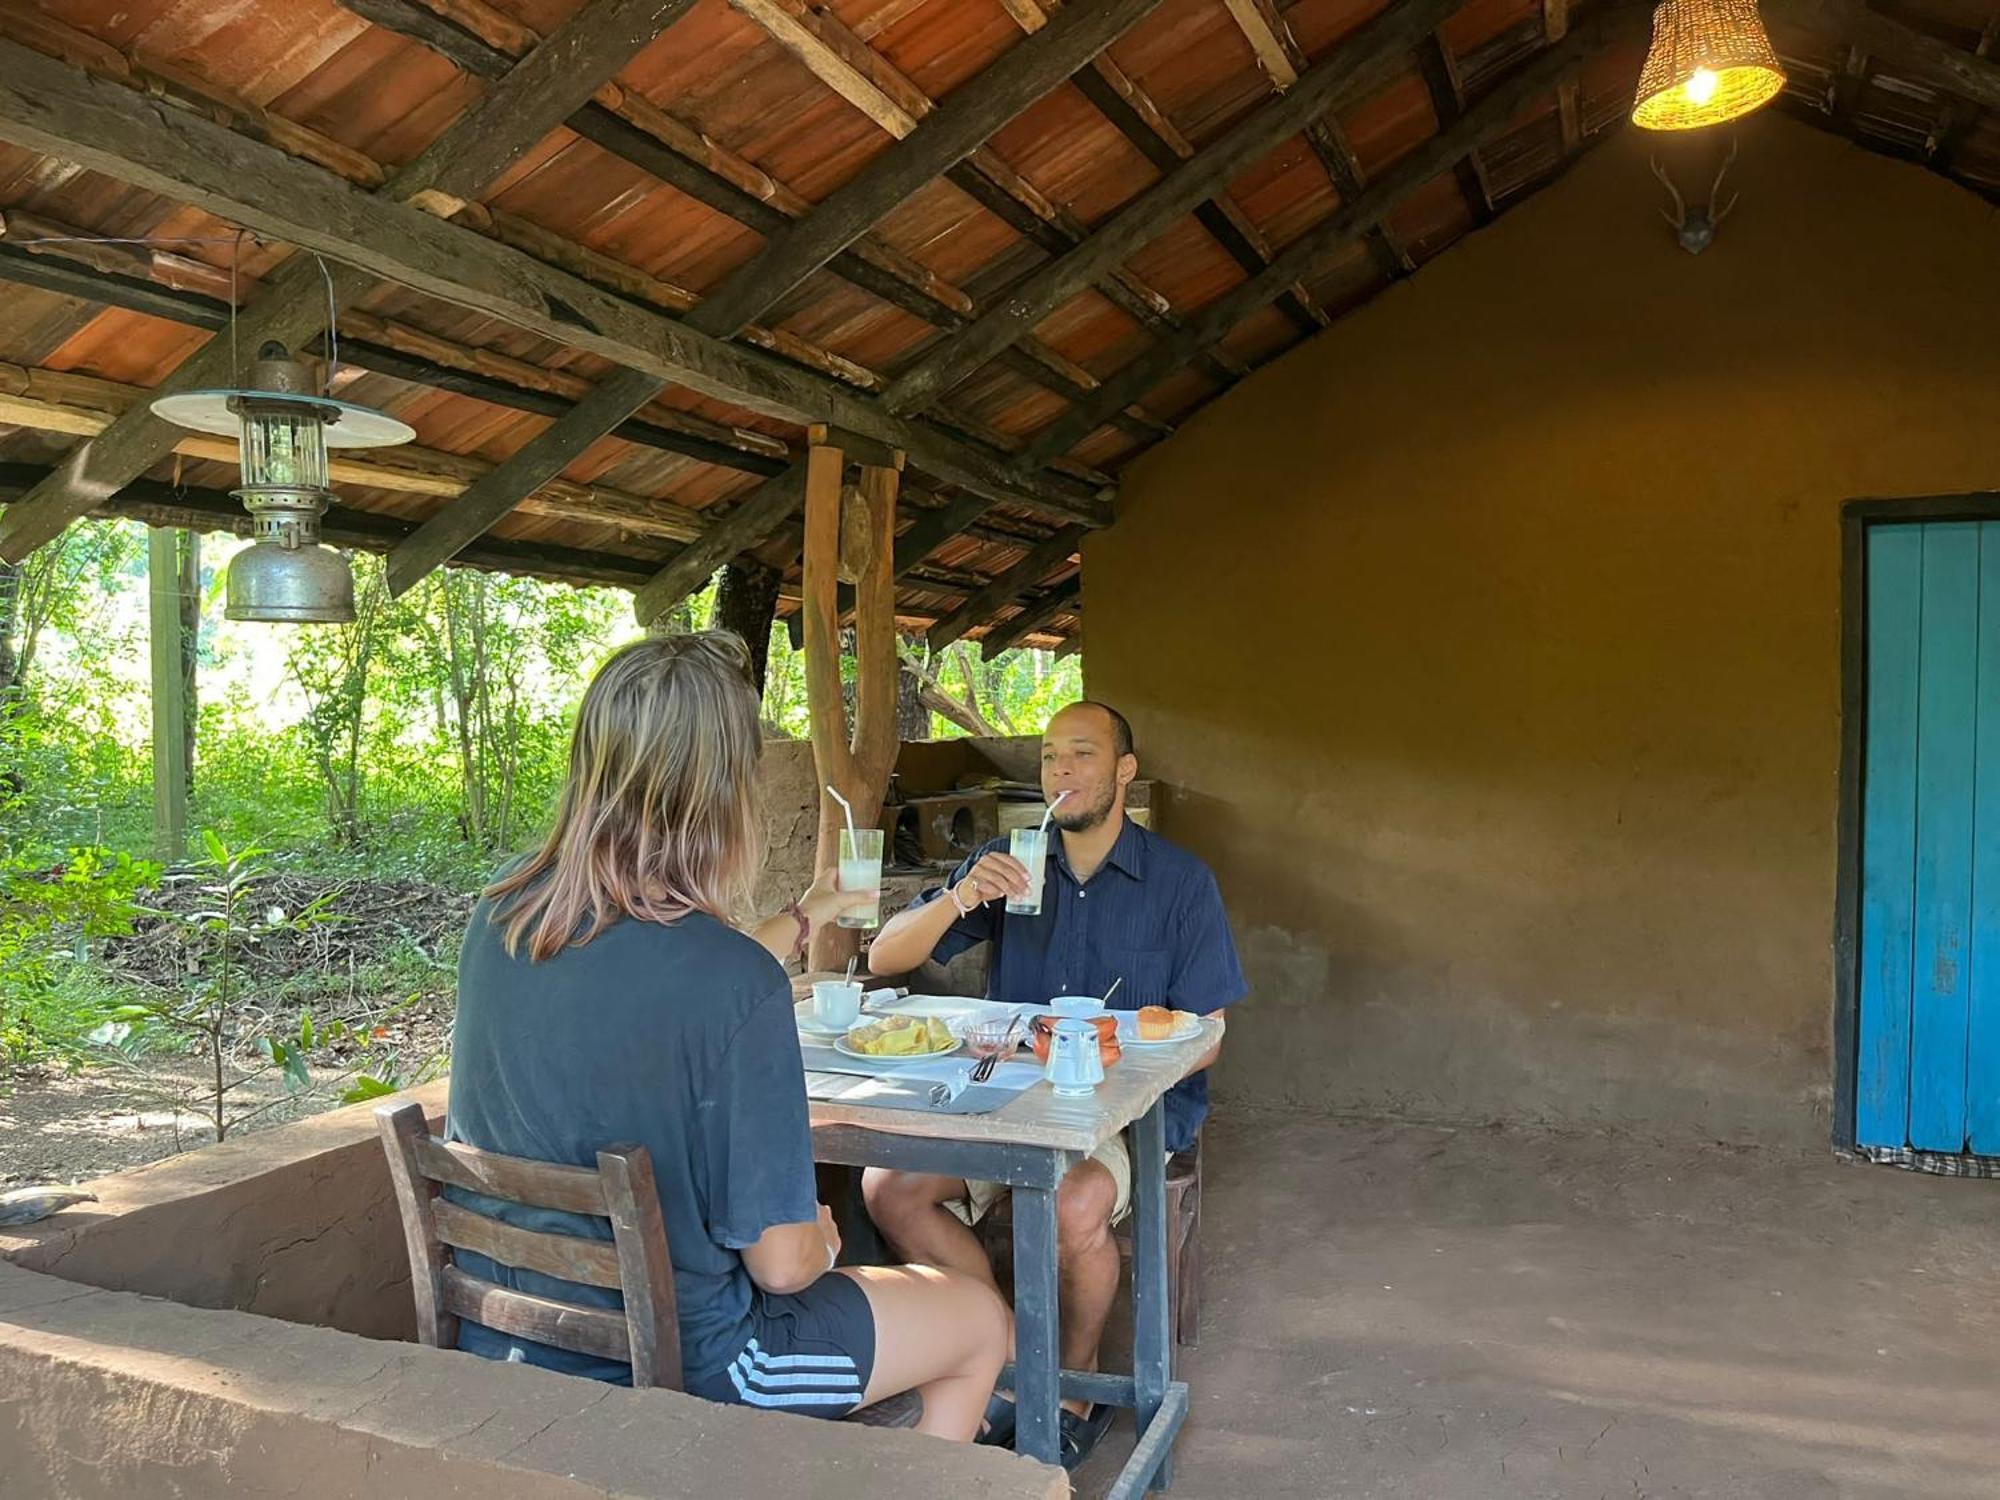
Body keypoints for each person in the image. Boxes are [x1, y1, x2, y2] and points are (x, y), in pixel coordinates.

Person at [445, 631, 1006, 1440]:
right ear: (728, 792)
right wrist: (816, 1237)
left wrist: (808, 913)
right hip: (706, 1363)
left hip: (511, 1325)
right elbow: (781, 1269)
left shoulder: (500, 917)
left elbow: (661, 981)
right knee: (978, 1319)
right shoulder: (736, 986)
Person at [862, 700, 1247, 1467]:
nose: (1062, 772)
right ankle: (1011, 1350)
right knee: (886, 1188)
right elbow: (885, 959)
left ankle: (1072, 1389)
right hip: (1008, 1095)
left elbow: (1210, 1034)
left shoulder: (1179, 882)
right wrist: (961, 897)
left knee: (1075, 1207)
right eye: (1048, 758)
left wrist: (1124, 1054)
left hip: (1124, 1109)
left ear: (1123, 772)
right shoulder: (1012, 859)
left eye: (1082, 755)